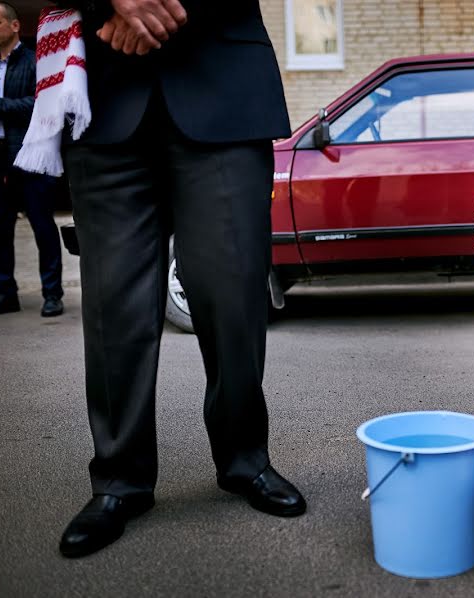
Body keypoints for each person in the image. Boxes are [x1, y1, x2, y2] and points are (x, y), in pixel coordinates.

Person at [53, 0, 305, 559]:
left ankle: (245, 460)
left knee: (232, 293)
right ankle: (119, 480)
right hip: (105, 95)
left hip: (224, 85)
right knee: (113, 308)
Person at [0, 1, 63, 318]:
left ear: (15, 25)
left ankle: (52, 294)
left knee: (42, 225)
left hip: (30, 153)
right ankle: (6, 292)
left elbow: (40, 102)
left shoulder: (35, 61)